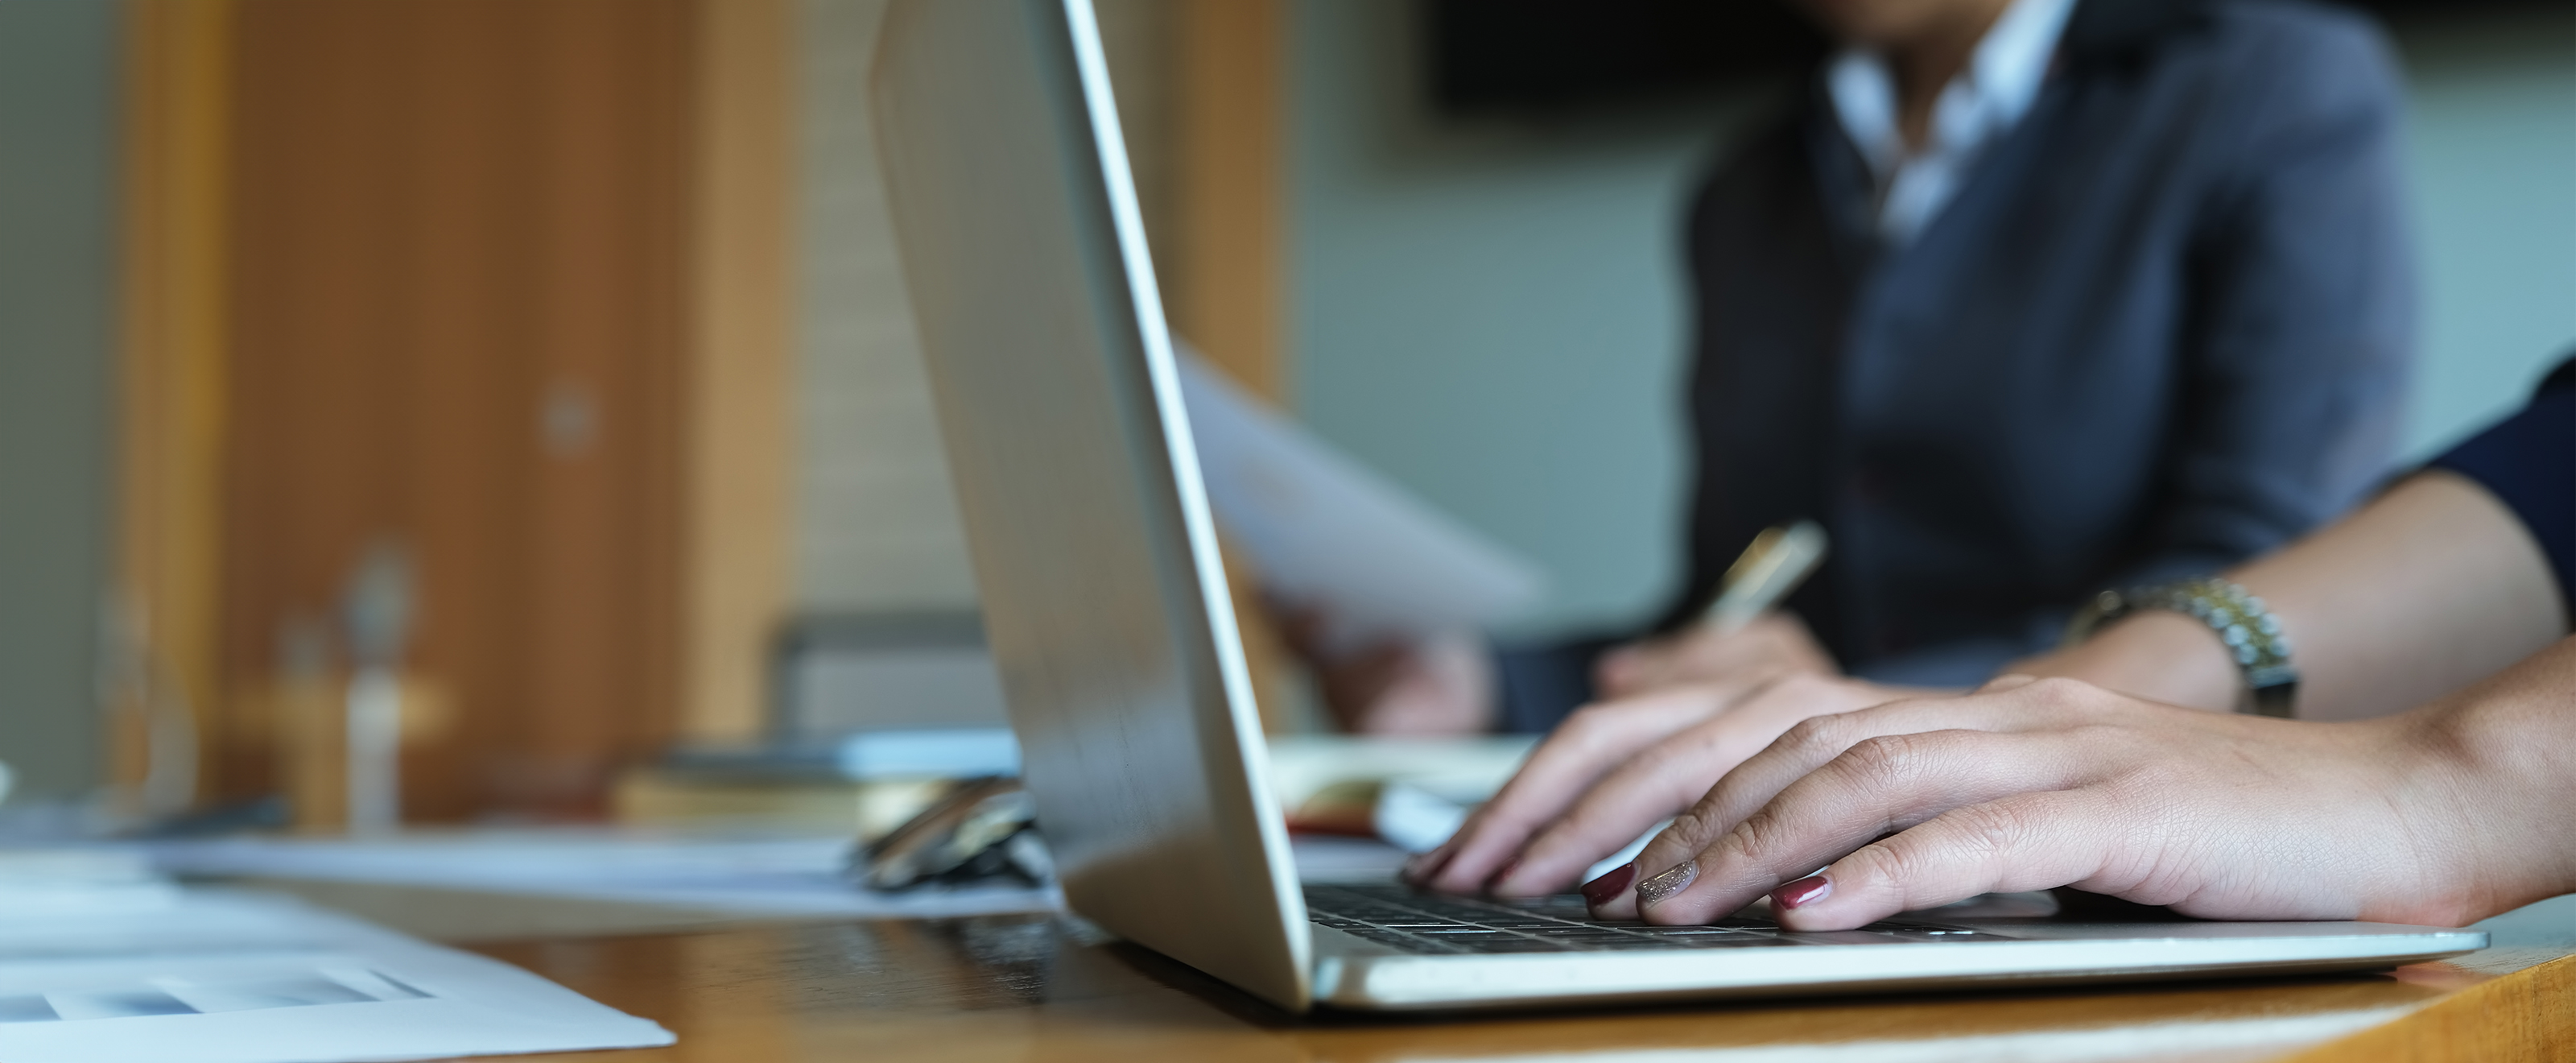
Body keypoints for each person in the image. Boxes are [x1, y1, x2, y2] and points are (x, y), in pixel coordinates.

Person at [1314, 0, 2417, 736]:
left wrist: (1853, 707)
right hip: (1808, 858)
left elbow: (2257, 598)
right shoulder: (1749, 191)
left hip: (2127, 857)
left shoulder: (2271, 92)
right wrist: (1482, 685)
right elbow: (1749, 610)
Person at [1410, 356, 2570, 920]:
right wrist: (2050, 705)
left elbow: (2248, 517)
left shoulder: (2257, 73)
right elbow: (2556, 480)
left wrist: (2438, 787)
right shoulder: (1751, 187)